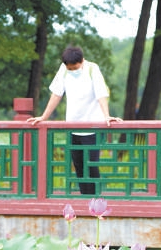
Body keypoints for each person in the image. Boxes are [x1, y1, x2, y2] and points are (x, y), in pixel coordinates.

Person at [27, 46, 122, 195]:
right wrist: (44, 116)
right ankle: (85, 197)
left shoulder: (92, 69)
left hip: (92, 125)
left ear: (82, 61)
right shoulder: (64, 70)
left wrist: (106, 115)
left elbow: (101, 93)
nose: (72, 71)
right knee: (78, 165)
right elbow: (56, 94)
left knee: (91, 164)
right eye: (69, 68)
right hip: (73, 125)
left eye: (75, 68)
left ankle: (96, 198)